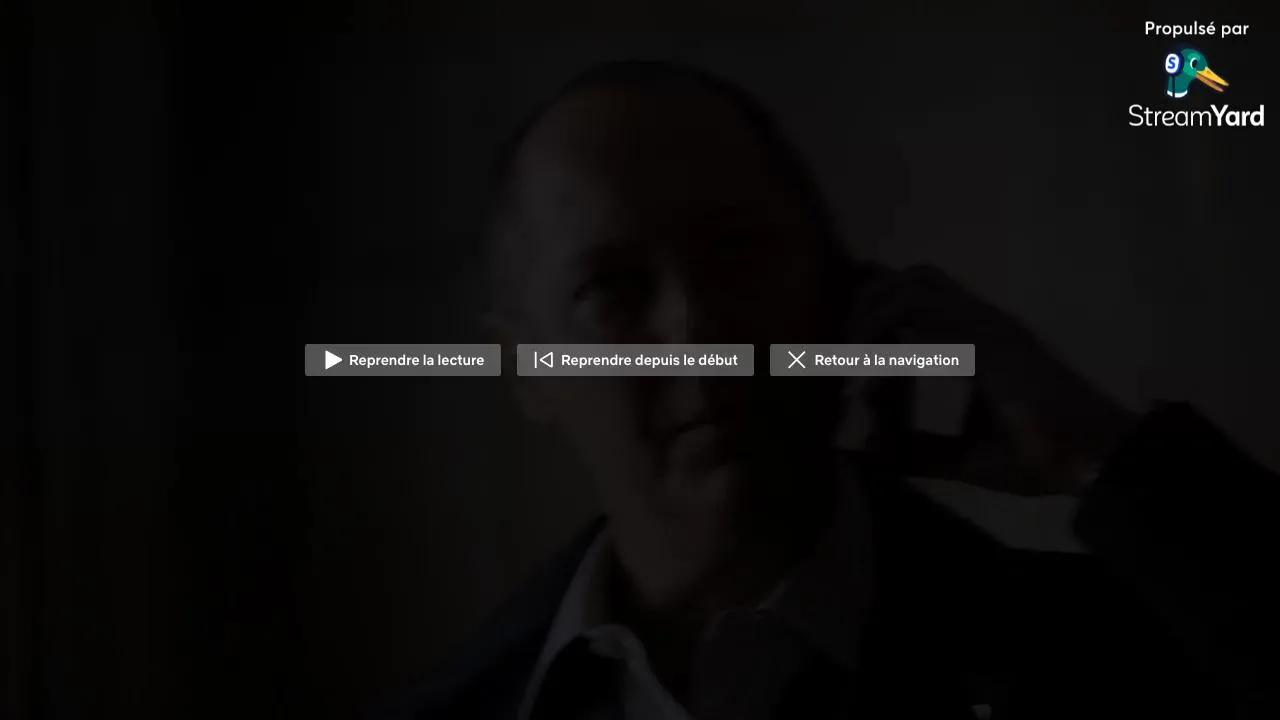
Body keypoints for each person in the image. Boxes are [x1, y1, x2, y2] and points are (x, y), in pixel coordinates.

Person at [388, 62, 1274, 719]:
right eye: (613, 289)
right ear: (524, 368)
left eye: (738, 252)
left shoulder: (1117, 655)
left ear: (844, 288)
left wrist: (1101, 457)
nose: (696, 332)